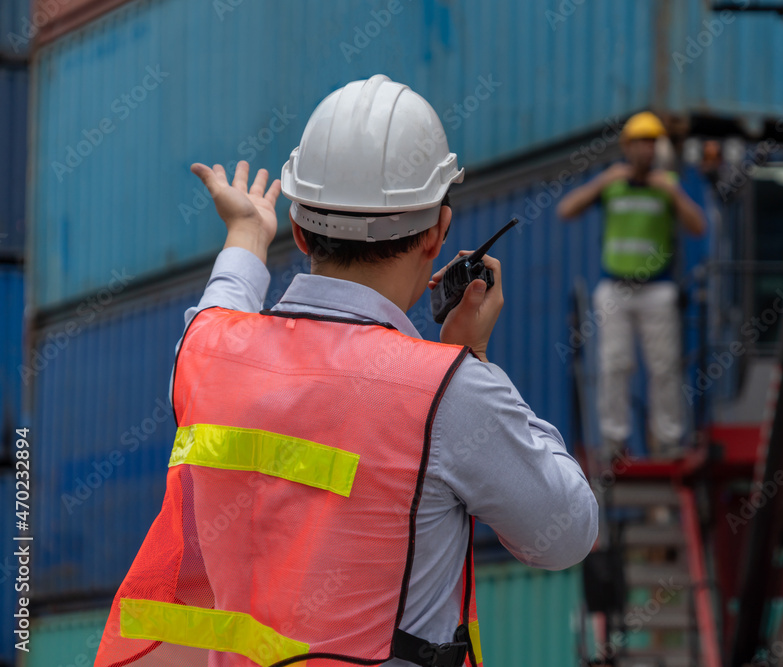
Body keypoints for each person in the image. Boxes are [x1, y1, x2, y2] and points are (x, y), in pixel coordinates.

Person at [96, 75, 598, 667]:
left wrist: (246, 234)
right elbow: (567, 534)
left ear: (301, 231)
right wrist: (477, 362)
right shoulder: (447, 391)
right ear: (438, 232)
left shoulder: (205, 354)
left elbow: (222, 299)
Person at [557, 111, 706, 462]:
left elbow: (698, 226)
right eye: (640, 142)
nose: (646, 150)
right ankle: (613, 441)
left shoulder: (667, 184)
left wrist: (672, 193)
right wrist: (602, 181)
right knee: (614, 364)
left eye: (652, 142)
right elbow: (566, 209)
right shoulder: (613, 184)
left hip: (657, 289)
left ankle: (668, 440)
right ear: (626, 146)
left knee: (664, 366)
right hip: (615, 289)